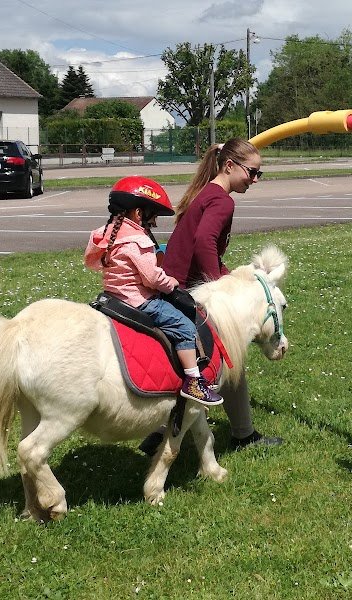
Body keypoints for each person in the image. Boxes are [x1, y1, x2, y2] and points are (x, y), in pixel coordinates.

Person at [140, 138, 283, 454]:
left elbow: (203, 249)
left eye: (260, 173)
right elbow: (204, 241)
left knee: (211, 359)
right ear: (229, 166)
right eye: (253, 172)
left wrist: (226, 273)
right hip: (185, 293)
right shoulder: (222, 201)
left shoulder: (205, 194)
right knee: (226, 357)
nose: (255, 180)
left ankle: (162, 430)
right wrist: (223, 289)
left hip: (174, 289)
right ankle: (236, 435)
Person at [84, 175, 223, 407]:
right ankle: (193, 382)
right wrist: (171, 283)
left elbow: (93, 262)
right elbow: (151, 278)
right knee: (184, 326)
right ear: (139, 214)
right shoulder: (138, 241)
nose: (153, 223)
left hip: (114, 296)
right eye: (152, 217)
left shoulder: (110, 235)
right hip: (139, 300)